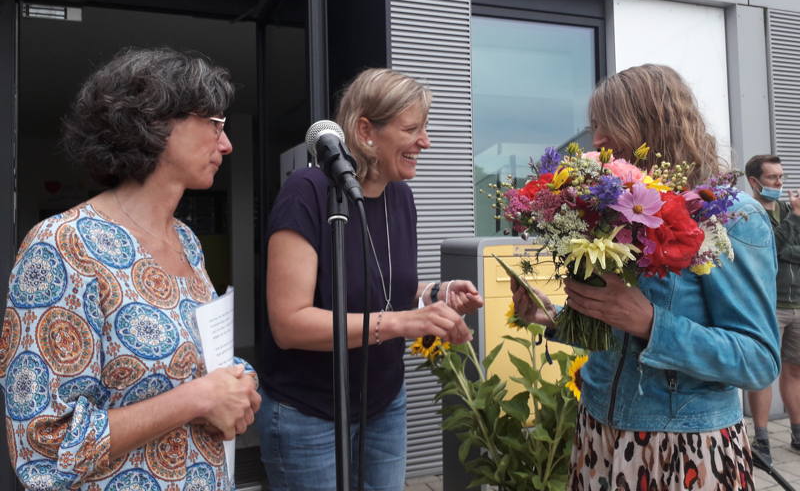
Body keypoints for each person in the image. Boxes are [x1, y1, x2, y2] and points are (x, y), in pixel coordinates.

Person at [0, 48, 260, 490]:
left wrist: (238, 379)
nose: (226, 144)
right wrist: (198, 398)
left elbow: (186, 360)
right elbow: (43, 447)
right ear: (154, 122)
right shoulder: (63, 245)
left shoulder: (187, 241)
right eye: (215, 124)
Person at [513, 64, 780, 490]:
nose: (597, 140)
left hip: (683, 447)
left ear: (653, 124)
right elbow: (619, 332)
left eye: (608, 124)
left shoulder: (731, 217)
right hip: (598, 433)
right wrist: (556, 318)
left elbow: (758, 360)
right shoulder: (616, 208)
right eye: (596, 125)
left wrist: (653, 324)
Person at [255, 68, 483, 491]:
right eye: (411, 129)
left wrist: (437, 294)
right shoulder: (307, 192)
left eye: (424, 128)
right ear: (365, 131)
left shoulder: (401, 196)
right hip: (308, 413)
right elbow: (289, 324)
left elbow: (384, 289)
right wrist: (402, 323)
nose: (425, 142)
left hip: (384, 404)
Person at [744, 154, 800, 462]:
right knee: (763, 371)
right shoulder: (747, 212)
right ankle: (762, 440)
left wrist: (787, 244)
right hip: (767, 305)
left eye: (781, 177)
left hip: (797, 302)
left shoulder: (787, 209)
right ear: (754, 181)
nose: (780, 183)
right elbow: (769, 249)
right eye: (772, 177)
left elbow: (784, 250)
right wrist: (794, 220)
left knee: (795, 370)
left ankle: (797, 432)